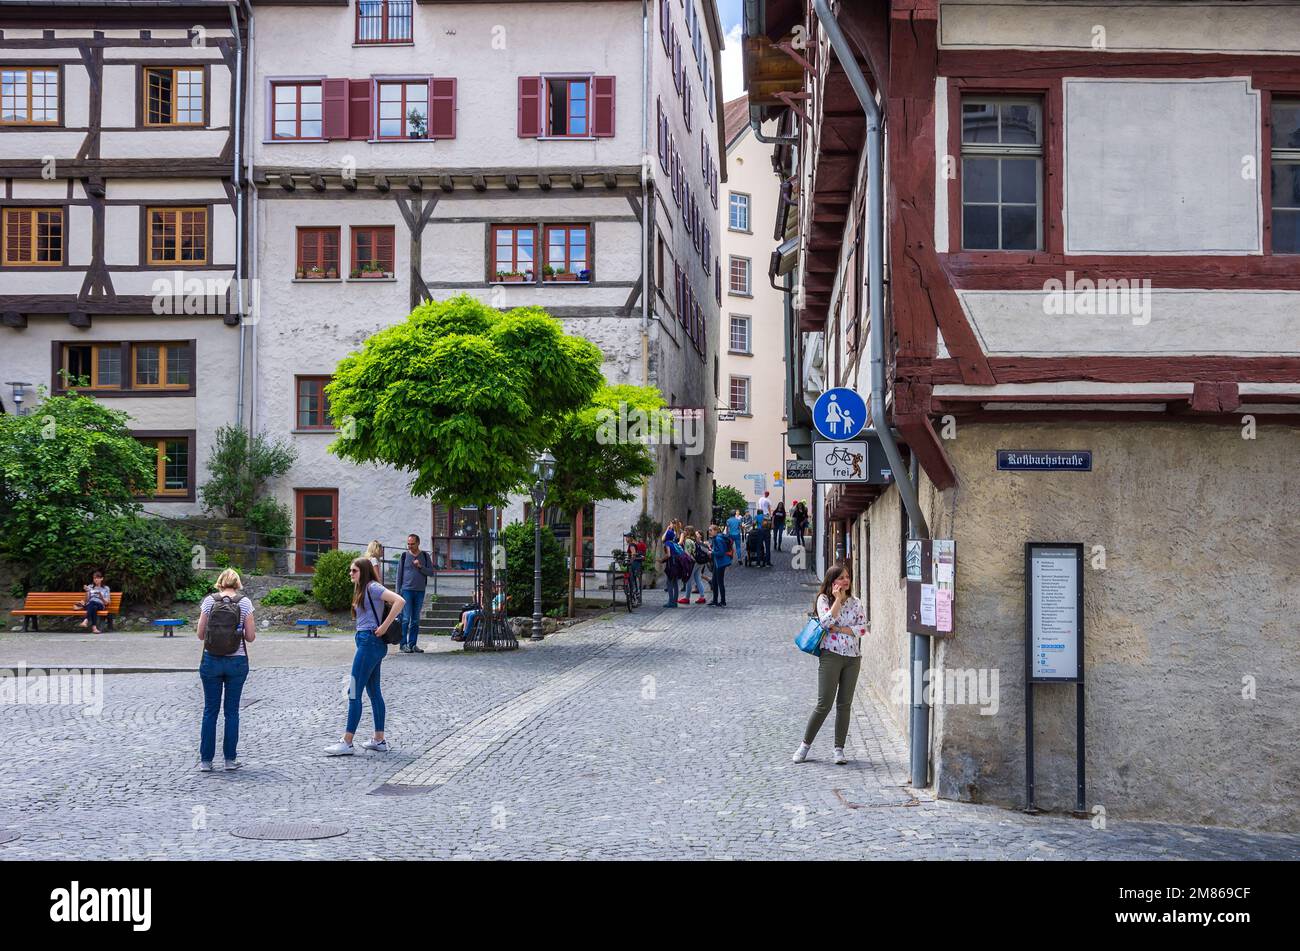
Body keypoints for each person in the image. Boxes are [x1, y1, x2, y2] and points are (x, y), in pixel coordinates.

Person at [324, 558, 404, 756]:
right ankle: (379, 739)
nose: (350, 574)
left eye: (354, 571)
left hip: (369, 642)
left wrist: (384, 626)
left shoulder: (373, 587)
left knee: (353, 690)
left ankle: (347, 741)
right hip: (367, 642)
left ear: (364, 571)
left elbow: (400, 600)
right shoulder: (363, 588)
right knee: (373, 691)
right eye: (350, 570)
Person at [793, 564, 869, 766]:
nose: (846, 581)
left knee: (844, 705)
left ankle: (839, 749)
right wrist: (836, 601)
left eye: (847, 577)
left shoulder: (856, 602)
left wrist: (841, 629)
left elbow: (863, 628)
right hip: (831, 656)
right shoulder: (823, 600)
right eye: (841, 578)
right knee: (824, 703)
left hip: (853, 657)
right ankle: (804, 746)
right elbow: (826, 623)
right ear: (832, 581)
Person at [196, 569, 255, 772]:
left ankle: (206, 761)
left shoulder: (209, 601)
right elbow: (250, 637)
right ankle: (230, 760)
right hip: (236, 662)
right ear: (237, 584)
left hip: (211, 660)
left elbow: (200, 634)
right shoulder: (244, 603)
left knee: (210, 711)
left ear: (220, 583)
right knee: (231, 712)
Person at [395, 533, 433, 654]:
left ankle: (412, 644)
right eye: (408, 544)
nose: (410, 546)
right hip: (406, 590)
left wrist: (420, 566)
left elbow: (431, 572)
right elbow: (399, 575)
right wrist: (397, 593)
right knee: (405, 619)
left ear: (418, 543)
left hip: (420, 591)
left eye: (412, 544)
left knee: (415, 619)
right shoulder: (404, 556)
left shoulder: (425, 556)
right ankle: (403, 644)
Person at [679, 526, 708, 604]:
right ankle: (702, 597)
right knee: (698, 578)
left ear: (687, 532)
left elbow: (687, 554)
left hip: (693, 562)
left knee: (688, 580)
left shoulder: (688, 540)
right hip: (699, 561)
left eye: (685, 530)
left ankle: (687, 598)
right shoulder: (694, 539)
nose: (684, 532)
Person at [708, 525, 733, 607]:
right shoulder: (716, 538)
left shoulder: (718, 539)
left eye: (711, 530)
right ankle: (715, 600)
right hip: (717, 563)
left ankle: (723, 601)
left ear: (715, 531)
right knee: (715, 581)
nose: (709, 532)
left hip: (721, 563)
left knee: (719, 582)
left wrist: (712, 552)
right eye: (709, 530)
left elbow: (721, 552)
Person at [79, 570, 111, 634]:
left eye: (97, 578)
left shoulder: (106, 588)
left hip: (101, 605)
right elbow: (87, 600)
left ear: (101, 578)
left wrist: (101, 597)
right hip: (90, 605)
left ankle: (86, 620)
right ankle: (94, 628)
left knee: (93, 603)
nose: (96, 580)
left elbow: (107, 603)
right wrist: (87, 591)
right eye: (94, 578)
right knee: (93, 606)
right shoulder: (90, 587)